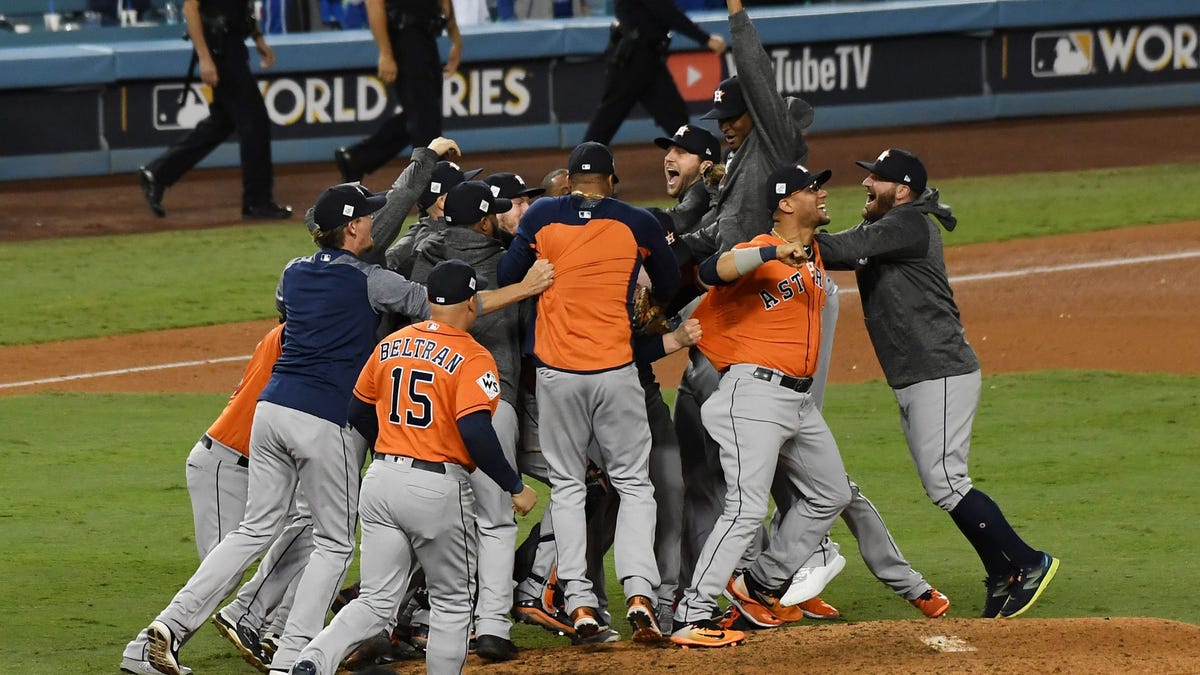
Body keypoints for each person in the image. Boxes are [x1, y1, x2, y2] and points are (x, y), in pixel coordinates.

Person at [131, 181, 553, 675]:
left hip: (271, 412)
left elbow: (288, 314)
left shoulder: (292, 272)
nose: (376, 222)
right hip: (322, 418)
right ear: (352, 227)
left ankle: (162, 631)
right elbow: (443, 308)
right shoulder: (371, 280)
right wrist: (523, 290)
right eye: (369, 216)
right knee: (333, 543)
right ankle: (293, 659)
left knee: (254, 529)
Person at [815, 148, 1060, 619]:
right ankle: (1003, 571)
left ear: (901, 190)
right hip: (917, 376)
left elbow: (835, 250)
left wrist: (785, 232)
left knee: (947, 482)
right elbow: (840, 250)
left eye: (876, 180)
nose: (866, 185)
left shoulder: (908, 224)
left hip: (940, 371)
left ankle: (1028, 562)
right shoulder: (885, 228)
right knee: (942, 484)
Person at [289, 260, 540, 675]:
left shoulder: (390, 344)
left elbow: (358, 411)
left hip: (381, 480)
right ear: (473, 304)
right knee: (452, 601)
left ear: (427, 300)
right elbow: (476, 430)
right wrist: (514, 486)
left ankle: (314, 660)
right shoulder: (474, 356)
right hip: (436, 488)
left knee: (375, 600)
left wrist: (391, 450)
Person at [498, 142, 679, 644]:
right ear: (612, 180)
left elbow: (507, 278)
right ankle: (640, 591)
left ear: (572, 180)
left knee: (570, 486)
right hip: (616, 371)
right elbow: (667, 281)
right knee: (635, 483)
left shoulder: (540, 215)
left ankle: (578, 602)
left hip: (557, 375)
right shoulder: (636, 221)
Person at [672, 163, 850, 646]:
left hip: (797, 403)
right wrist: (773, 250)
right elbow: (714, 270)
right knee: (746, 509)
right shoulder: (759, 248)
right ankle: (691, 613)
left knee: (831, 493)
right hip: (752, 396)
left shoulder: (812, 253)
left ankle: (757, 584)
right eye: (812, 187)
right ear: (786, 203)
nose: (823, 192)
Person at [120, 324, 289, 675]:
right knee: (224, 570)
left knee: (281, 542)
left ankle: (261, 624)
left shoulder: (289, 337)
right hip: (226, 466)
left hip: (251, 469)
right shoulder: (286, 336)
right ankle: (142, 651)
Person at [407, 180, 527, 661]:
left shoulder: (422, 255)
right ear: (483, 221)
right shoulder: (506, 260)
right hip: (489, 398)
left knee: (434, 521)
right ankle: (493, 628)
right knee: (496, 522)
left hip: (427, 407)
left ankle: (415, 622)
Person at [678, 0, 813, 259]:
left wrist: (735, 12)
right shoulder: (733, 157)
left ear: (756, 113)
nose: (725, 126)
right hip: (735, 269)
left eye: (732, 118)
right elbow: (728, 223)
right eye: (720, 119)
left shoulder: (774, 143)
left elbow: (754, 71)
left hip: (772, 274)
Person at [138, 0, 292, 220]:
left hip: (232, 45)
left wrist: (258, 38)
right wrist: (204, 57)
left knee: (222, 122)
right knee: (255, 123)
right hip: (220, 49)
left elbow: (241, 7)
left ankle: (158, 173)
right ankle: (257, 202)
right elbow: (190, 8)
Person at [334, 0, 462, 183]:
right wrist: (386, 53)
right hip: (404, 38)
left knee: (423, 114)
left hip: (427, 35)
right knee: (425, 118)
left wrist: (455, 38)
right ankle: (434, 189)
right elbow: (374, 4)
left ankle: (357, 159)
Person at [582, 0, 726, 145]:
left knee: (675, 116)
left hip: (649, 58)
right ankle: (582, 164)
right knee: (607, 119)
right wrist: (705, 38)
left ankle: (695, 159)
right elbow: (667, 12)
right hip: (631, 59)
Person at [386, 160, 483, 279]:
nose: (469, 194)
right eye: (462, 190)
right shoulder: (413, 244)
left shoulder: (463, 228)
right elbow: (389, 263)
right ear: (442, 202)